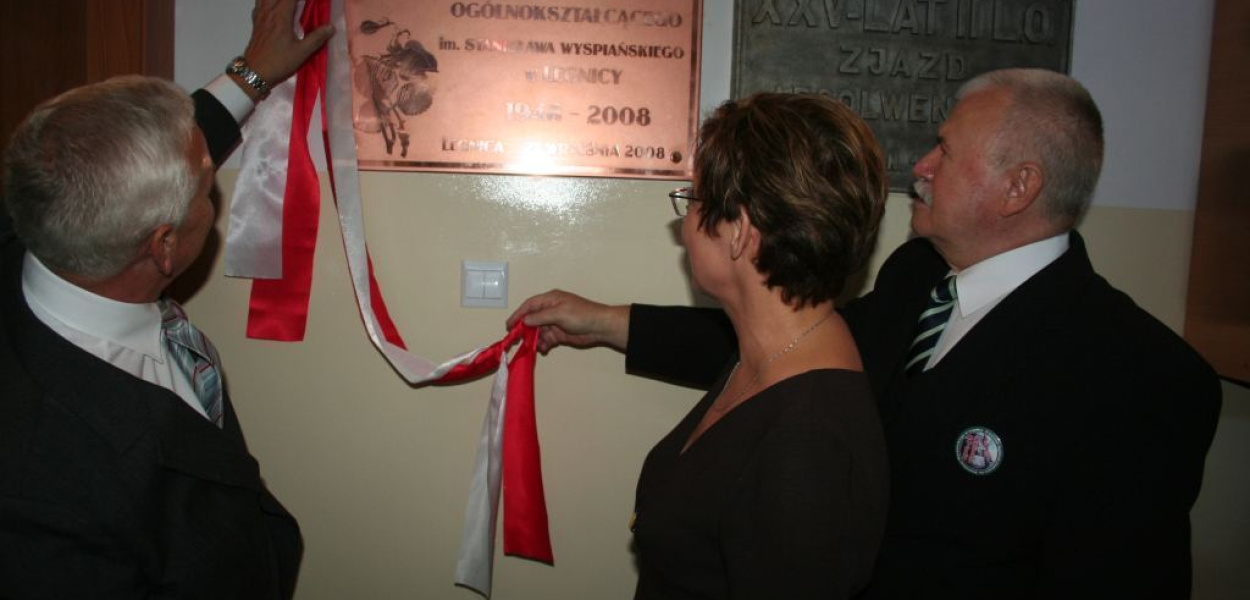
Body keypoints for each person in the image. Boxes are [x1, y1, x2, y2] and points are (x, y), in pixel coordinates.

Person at [509, 69, 1222, 598]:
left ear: (1019, 186)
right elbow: (780, 343)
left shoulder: (1140, 376)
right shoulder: (917, 278)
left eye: (946, 150)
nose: (922, 167)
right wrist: (610, 323)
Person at [0, 0, 332, 597]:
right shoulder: (45, 494)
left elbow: (121, 153)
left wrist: (250, 75)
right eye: (206, 188)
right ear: (164, 246)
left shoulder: (41, 203)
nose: (212, 192)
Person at [529, 93, 891, 599]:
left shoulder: (811, 445)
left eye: (694, 200)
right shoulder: (766, 355)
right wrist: (603, 322)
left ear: (740, 230)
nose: (684, 225)